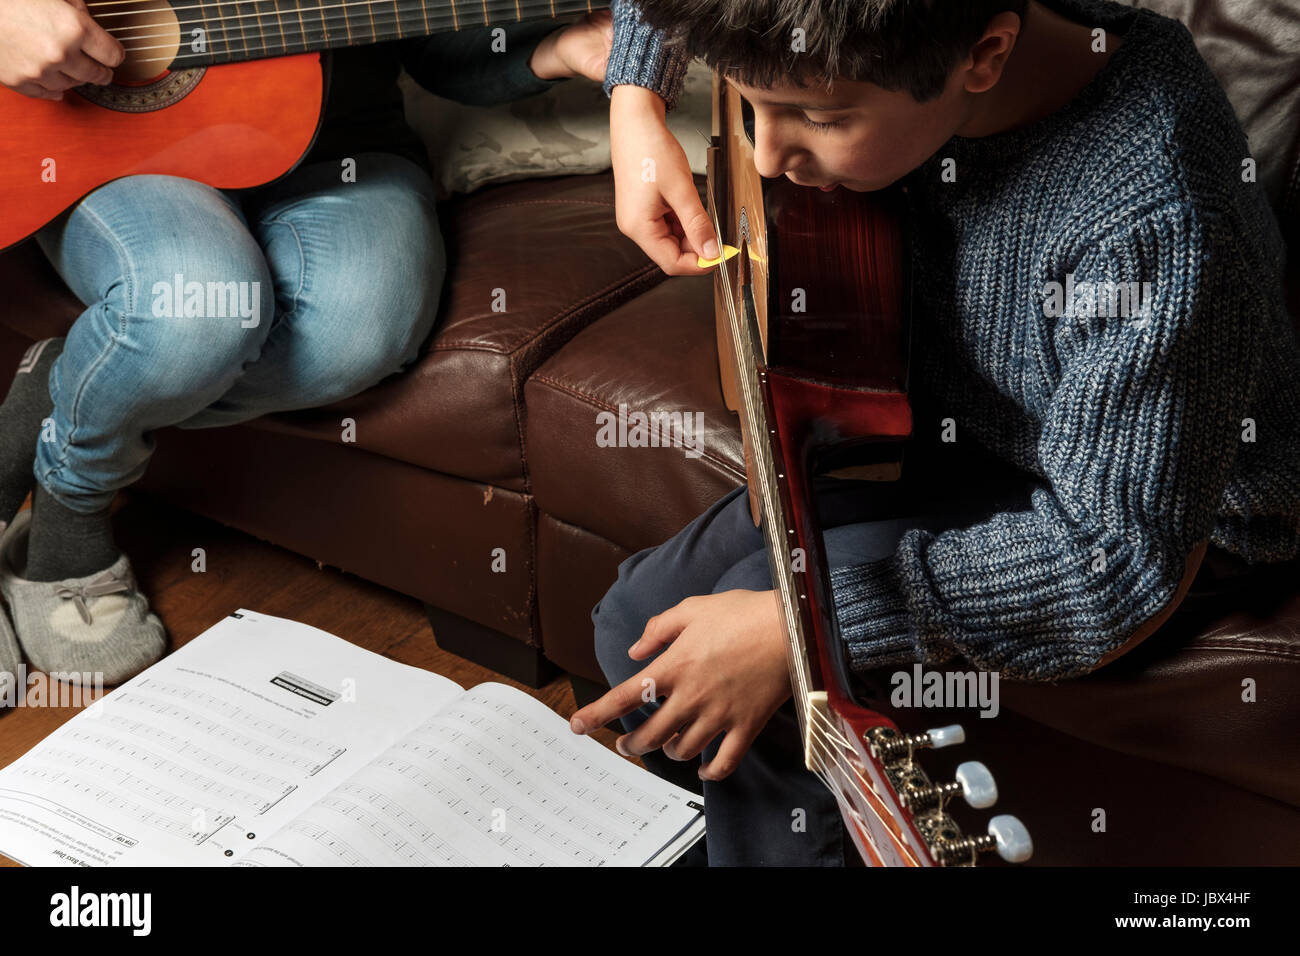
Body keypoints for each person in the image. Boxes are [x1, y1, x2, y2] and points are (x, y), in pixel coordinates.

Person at [575, 0, 1300, 865]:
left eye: (821, 116)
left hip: (1144, 511)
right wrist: (635, 101)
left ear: (985, 52)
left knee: (751, 683)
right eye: (746, 100)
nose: (768, 155)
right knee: (635, 626)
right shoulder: (916, 49)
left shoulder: (1155, 220)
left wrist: (800, 628)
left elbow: (1115, 559)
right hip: (945, 421)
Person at [0, 1, 662, 697]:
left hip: (340, 146)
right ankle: (67, 533)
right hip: (106, 140)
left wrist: (559, 47)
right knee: (191, 307)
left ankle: (72, 384)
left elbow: (438, 42)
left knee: (358, 332)